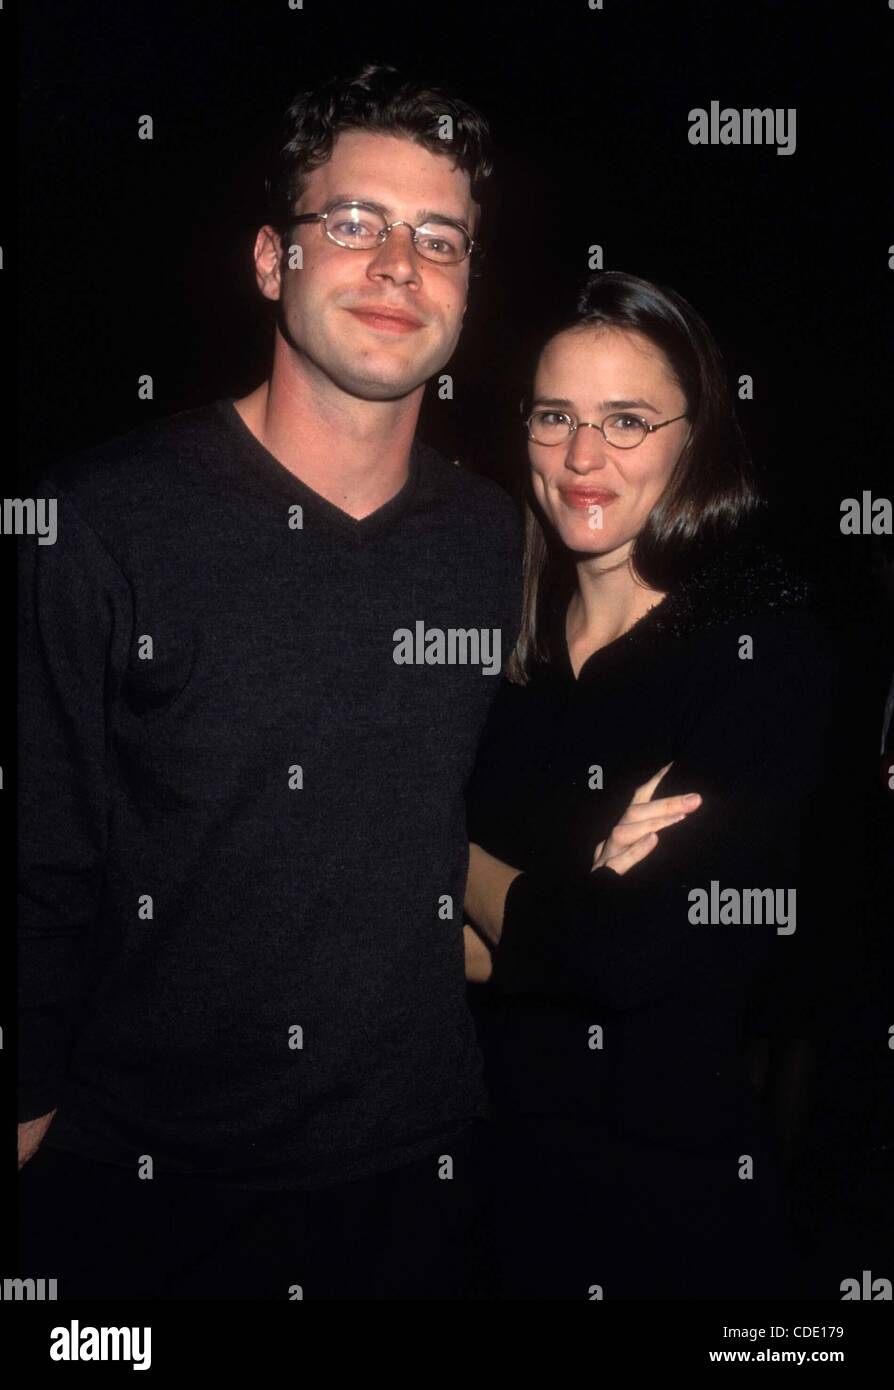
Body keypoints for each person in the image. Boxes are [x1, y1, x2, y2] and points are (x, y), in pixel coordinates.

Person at [17, 61, 523, 1300]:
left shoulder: (500, 542)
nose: (399, 264)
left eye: (439, 238)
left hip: (421, 1177)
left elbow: (498, 803)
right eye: (352, 223)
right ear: (268, 260)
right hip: (142, 1180)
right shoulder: (99, 522)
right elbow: (40, 845)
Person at [462, 270, 838, 1299]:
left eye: (627, 420)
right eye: (556, 417)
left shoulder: (756, 655)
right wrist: (554, 907)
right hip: (482, 1192)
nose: (583, 458)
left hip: (671, 1213)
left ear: (694, 441)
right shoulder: (500, 646)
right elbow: (423, 950)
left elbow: (631, 953)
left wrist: (447, 856)